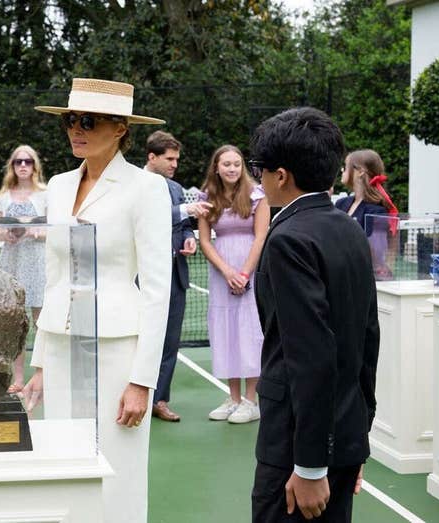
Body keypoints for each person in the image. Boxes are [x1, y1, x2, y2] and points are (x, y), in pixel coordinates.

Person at [25, 78, 172, 522]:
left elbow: (157, 289)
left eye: (88, 121)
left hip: (116, 352)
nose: (76, 129)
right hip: (62, 346)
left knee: (119, 471)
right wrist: (40, 364)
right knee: (63, 466)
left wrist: (142, 381)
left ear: (120, 127)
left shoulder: (146, 188)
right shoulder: (58, 186)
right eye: (71, 120)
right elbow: (54, 277)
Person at [249, 107, 379, 522]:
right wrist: (354, 441)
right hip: (341, 438)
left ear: (281, 176)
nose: (257, 179)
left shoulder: (287, 239)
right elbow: (367, 341)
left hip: (296, 447)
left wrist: (309, 466)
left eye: (259, 169)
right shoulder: (348, 227)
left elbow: (310, 357)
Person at [198, 145, 269, 424]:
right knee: (226, 330)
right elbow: (205, 241)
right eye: (226, 164)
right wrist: (228, 272)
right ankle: (234, 399)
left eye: (236, 164)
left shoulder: (257, 195)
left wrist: (244, 274)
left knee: (249, 331)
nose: (232, 169)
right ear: (216, 167)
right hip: (221, 274)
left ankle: (251, 401)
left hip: (250, 272)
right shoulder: (207, 197)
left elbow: (261, 236)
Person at [143, 131, 205, 423]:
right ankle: (134, 397)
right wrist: (184, 210)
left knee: (170, 342)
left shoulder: (176, 188)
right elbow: (147, 218)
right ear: (151, 157)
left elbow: (182, 225)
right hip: (142, 279)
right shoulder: (135, 186)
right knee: (139, 340)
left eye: (177, 159)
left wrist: (189, 236)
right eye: (169, 159)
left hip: (175, 276)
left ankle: (159, 400)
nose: (174, 164)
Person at [0, 144, 47, 392]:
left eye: (28, 161)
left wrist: (35, 233)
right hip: (11, 262)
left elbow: (53, 232)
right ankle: (17, 379)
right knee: (15, 322)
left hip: (36, 262)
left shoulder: (45, 195)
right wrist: (7, 234)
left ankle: (42, 375)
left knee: (40, 322)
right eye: (18, 161)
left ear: (34, 165)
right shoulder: (4, 196)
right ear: (12, 166)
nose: (23, 165)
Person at [335, 149, 398, 280]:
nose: (342, 170)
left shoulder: (376, 211)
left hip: (364, 278)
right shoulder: (341, 204)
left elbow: (377, 252)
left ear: (360, 172)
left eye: (346, 167)